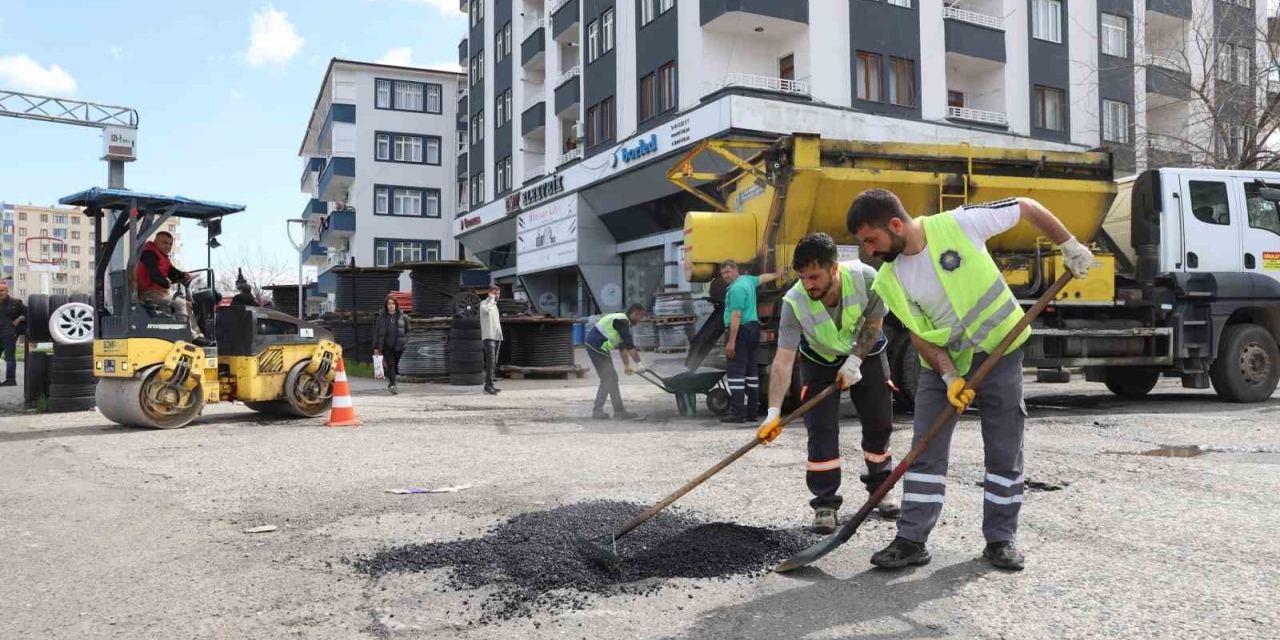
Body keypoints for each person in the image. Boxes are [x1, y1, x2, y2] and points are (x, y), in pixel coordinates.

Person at [848, 190, 1093, 571]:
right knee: (924, 449)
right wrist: (948, 376)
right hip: (943, 368)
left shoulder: (959, 224)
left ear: (895, 225)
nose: (868, 251)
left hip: (1000, 351)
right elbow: (920, 336)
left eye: (871, 240)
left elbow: (1026, 206)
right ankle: (911, 539)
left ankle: (1001, 539)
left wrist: (1069, 244)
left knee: (1003, 446)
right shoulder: (890, 279)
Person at [754, 233, 900, 534]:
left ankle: (880, 489)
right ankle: (825, 503)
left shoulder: (865, 277)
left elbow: (874, 325)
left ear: (834, 268)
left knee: (878, 423)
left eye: (815, 277)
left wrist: (855, 361)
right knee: (820, 428)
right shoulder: (794, 302)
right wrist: (773, 412)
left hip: (867, 354)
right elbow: (783, 360)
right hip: (819, 361)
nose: (808, 285)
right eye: (803, 278)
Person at [719, 260, 789, 423]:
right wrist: (778, 274)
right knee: (751, 371)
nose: (725, 276)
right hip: (753, 330)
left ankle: (737, 413)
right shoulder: (747, 280)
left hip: (740, 330)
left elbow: (736, 315)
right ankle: (751, 412)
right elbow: (763, 278)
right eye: (723, 274)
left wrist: (731, 341)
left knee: (736, 373)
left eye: (728, 272)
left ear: (736, 271)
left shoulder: (736, 288)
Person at [136, 231, 206, 345]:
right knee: (181, 304)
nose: (168, 246)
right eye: (164, 243)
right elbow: (155, 275)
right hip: (148, 293)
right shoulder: (149, 254)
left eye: (170, 244)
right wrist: (167, 283)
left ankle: (198, 335)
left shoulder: (162, 257)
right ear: (156, 242)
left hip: (158, 293)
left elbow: (172, 272)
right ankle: (187, 336)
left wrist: (185, 275)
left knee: (186, 304)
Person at [584, 303, 648, 420]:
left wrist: (627, 365)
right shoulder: (621, 321)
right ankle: (600, 410)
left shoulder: (622, 320)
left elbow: (622, 347)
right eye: (640, 316)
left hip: (598, 346)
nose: (640, 320)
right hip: (597, 345)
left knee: (611, 377)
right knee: (609, 377)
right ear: (635, 313)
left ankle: (618, 411)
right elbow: (629, 345)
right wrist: (639, 363)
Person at [373, 295, 409, 395]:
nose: (391, 306)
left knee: (394, 365)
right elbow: (376, 332)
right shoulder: (381, 317)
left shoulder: (403, 316)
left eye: (393, 303)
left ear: (396, 305)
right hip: (386, 346)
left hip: (399, 346)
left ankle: (391, 381)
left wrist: (405, 340)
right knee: (391, 364)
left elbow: (408, 331)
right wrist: (376, 347)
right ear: (386, 305)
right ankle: (393, 385)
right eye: (389, 304)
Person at [479, 284, 503, 395]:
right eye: (494, 293)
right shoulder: (484, 304)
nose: (497, 295)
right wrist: (491, 299)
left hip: (497, 337)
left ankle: (490, 385)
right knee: (490, 362)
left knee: (494, 363)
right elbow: (486, 311)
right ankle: (488, 386)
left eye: (498, 293)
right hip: (489, 337)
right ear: (489, 293)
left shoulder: (495, 305)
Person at [0, 282, 26, 387]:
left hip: (9, 334)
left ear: (7, 291)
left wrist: (19, 318)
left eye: (1, 290)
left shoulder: (15, 303)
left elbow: (27, 312)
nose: (0, 293)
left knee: (9, 357)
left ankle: (10, 380)